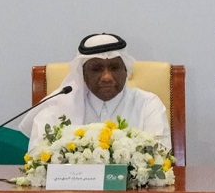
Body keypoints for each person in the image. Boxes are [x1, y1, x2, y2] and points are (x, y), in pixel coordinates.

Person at [19, 33, 171, 151]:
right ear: (83, 74)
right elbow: (37, 158)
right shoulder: (57, 106)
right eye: (96, 69)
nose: (106, 77)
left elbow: (159, 155)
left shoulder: (147, 104)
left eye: (114, 68)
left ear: (126, 70)